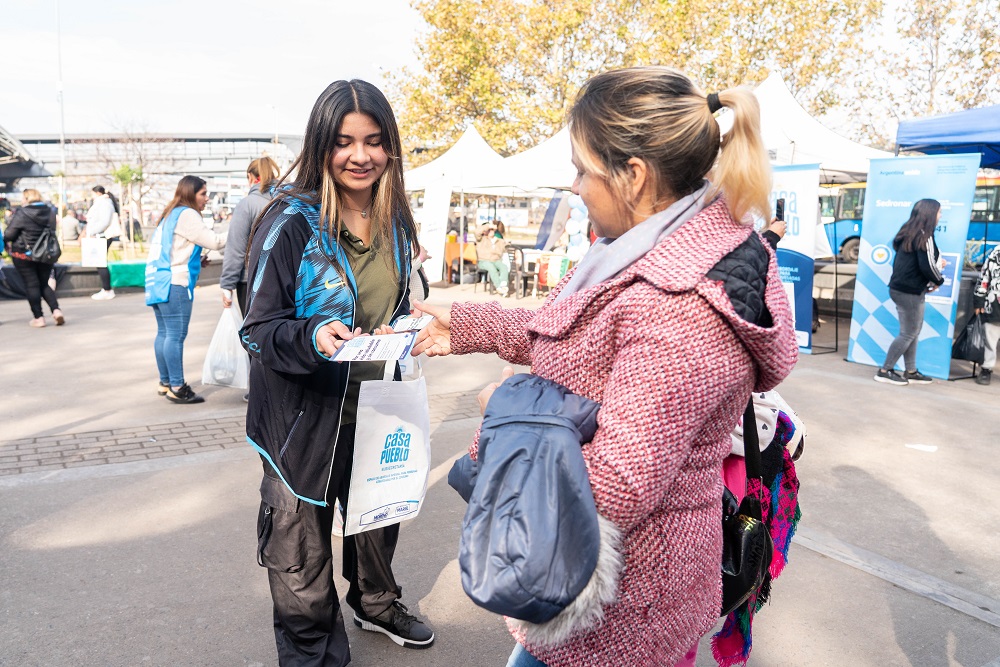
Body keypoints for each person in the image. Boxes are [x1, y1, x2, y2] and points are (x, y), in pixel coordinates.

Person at [412, 66, 797, 667]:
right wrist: (463, 325)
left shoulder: (680, 305)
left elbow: (616, 484)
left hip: (622, 605)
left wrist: (506, 412)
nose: (573, 185)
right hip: (598, 584)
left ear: (634, 176)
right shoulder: (646, 247)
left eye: (581, 168)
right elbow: (575, 335)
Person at [240, 79, 434, 666]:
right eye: (346, 142)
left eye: (374, 142)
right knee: (299, 549)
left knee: (378, 514)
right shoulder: (290, 221)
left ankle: (375, 601)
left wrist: (403, 328)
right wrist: (313, 334)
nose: (361, 156)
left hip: (378, 401)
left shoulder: (396, 218)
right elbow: (259, 328)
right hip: (303, 416)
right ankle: (314, 654)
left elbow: (395, 302)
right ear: (322, 144)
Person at [145, 175, 226, 404]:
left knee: (163, 334)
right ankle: (178, 387)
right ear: (191, 194)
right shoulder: (187, 213)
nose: (207, 199)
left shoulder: (170, 214)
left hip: (158, 280)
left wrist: (196, 260)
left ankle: (166, 382)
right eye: (203, 194)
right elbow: (215, 242)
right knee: (175, 336)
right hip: (175, 283)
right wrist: (243, 230)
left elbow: (175, 249)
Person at [874, 199, 945, 386]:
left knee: (912, 332)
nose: (940, 216)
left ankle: (911, 370)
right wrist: (939, 280)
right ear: (930, 214)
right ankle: (885, 370)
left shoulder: (909, 232)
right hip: (909, 291)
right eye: (939, 212)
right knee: (909, 332)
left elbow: (920, 263)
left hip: (901, 288)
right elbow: (927, 266)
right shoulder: (925, 236)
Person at [220, 156, 279, 316]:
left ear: (251, 177)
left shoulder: (247, 204)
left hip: (251, 281)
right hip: (283, 280)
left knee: (253, 336)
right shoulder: (286, 201)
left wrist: (227, 285)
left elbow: (236, 248)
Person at [3, 189, 64, 327]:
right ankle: (56, 310)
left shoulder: (22, 213)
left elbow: (10, 234)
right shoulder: (50, 211)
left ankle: (39, 318)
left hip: (24, 255)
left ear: (26, 198)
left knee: (32, 285)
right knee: (44, 284)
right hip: (46, 254)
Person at [84, 185, 123, 300]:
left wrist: (92, 232)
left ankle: (107, 289)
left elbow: (104, 221)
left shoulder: (105, 203)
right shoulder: (103, 202)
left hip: (101, 236)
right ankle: (106, 289)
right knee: (100, 262)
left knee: (101, 263)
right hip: (100, 235)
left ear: (98, 193)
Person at [972, 243, 1000, 385]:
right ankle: (986, 368)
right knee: (990, 339)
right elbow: (984, 277)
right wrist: (978, 301)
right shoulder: (996, 253)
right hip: (994, 305)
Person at [475, 219, 510, 294]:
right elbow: (477, 232)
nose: (491, 231)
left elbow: (505, 248)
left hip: (496, 260)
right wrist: (488, 226)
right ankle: (498, 286)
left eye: (492, 230)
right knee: (491, 268)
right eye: (489, 230)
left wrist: (507, 245)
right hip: (484, 261)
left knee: (504, 267)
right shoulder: (481, 239)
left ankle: (503, 284)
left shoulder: (499, 241)